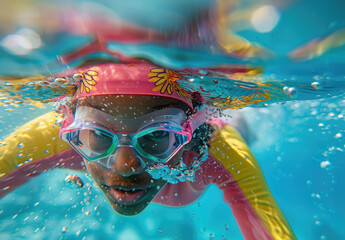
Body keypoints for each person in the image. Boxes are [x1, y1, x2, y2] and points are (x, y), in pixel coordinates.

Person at [0, 60, 296, 240]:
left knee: (242, 127)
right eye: (98, 136)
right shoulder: (54, 137)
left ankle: (248, 120)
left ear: (189, 133)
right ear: (71, 129)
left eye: (157, 135)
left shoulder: (217, 149)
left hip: (220, 129)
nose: (125, 164)